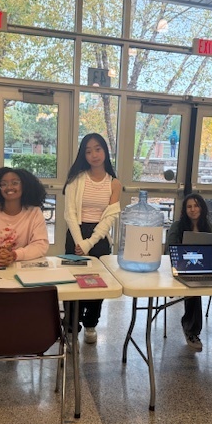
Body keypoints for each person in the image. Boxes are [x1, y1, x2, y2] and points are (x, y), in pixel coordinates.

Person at [63, 133, 122, 344]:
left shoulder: (114, 183)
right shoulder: (76, 179)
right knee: (73, 283)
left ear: (105, 151)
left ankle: (90, 324)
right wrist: (80, 242)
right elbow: (69, 213)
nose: (94, 155)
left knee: (98, 284)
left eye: (98, 149)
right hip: (75, 234)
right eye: (88, 151)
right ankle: (70, 328)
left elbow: (110, 216)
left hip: (99, 238)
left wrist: (89, 243)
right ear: (83, 155)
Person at [165, 193, 212, 350]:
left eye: (196, 205)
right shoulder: (177, 226)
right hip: (182, 268)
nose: (193, 209)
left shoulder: (209, 227)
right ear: (184, 210)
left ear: (202, 208)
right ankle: (191, 330)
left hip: (204, 267)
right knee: (194, 288)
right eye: (189, 206)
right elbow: (170, 252)